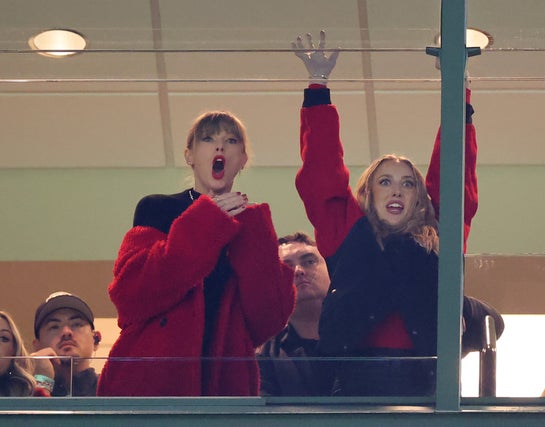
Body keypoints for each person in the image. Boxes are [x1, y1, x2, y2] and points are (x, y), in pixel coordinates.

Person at [292, 31, 504, 396]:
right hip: (355, 382)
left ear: (419, 197)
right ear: (369, 193)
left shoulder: (438, 234)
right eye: (385, 181)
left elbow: (457, 170)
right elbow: (321, 174)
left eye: (407, 183)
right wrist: (318, 88)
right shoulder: (347, 230)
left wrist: (459, 84)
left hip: (424, 384)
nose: (396, 190)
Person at [97, 110, 295, 397]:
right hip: (150, 385)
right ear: (189, 156)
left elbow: (268, 321)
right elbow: (130, 294)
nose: (219, 147)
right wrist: (206, 223)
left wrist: (254, 232)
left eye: (231, 140)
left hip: (225, 388)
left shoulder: (251, 226)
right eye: (207, 138)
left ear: (242, 160)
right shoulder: (158, 208)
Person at [257, 231, 334, 396]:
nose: (298, 270)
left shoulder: (366, 340)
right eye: (286, 267)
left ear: (331, 269)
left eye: (309, 261)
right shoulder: (264, 357)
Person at [31, 291, 101, 396]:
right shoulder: (19, 391)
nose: (66, 332)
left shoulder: (112, 388)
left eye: (77, 324)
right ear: (37, 346)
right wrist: (42, 382)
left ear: (95, 340)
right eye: (54, 326)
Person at [0, 310, 51, 396]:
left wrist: (43, 380)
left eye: (4, 338)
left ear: (14, 351)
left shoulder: (24, 391)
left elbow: (39, 408)